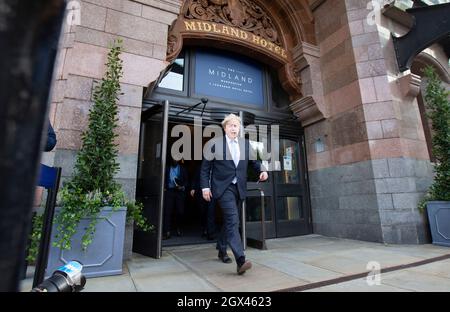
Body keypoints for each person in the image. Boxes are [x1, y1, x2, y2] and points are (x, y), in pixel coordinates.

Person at [200, 114, 268, 275]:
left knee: (230, 222)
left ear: (239, 129)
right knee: (233, 220)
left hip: (239, 188)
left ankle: (222, 249)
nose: (233, 128)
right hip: (223, 189)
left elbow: (255, 162)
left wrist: (263, 170)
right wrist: (205, 188)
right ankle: (241, 260)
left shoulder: (245, 145)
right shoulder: (215, 144)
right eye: (230, 125)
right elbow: (205, 169)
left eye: (236, 126)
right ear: (225, 128)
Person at [163, 157, 188, 239]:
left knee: (180, 211)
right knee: (167, 211)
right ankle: (167, 232)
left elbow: (187, 181)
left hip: (179, 192)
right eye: (173, 158)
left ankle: (178, 227)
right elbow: (163, 179)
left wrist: (182, 187)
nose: (175, 160)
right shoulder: (166, 168)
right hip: (169, 191)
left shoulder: (183, 169)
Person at [190, 165, 216, 240]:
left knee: (211, 212)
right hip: (201, 193)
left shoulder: (216, 167)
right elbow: (195, 178)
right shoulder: (200, 167)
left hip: (212, 193)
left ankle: (210, 233)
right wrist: (192, 188)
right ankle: (204, 228)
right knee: (203, 212)